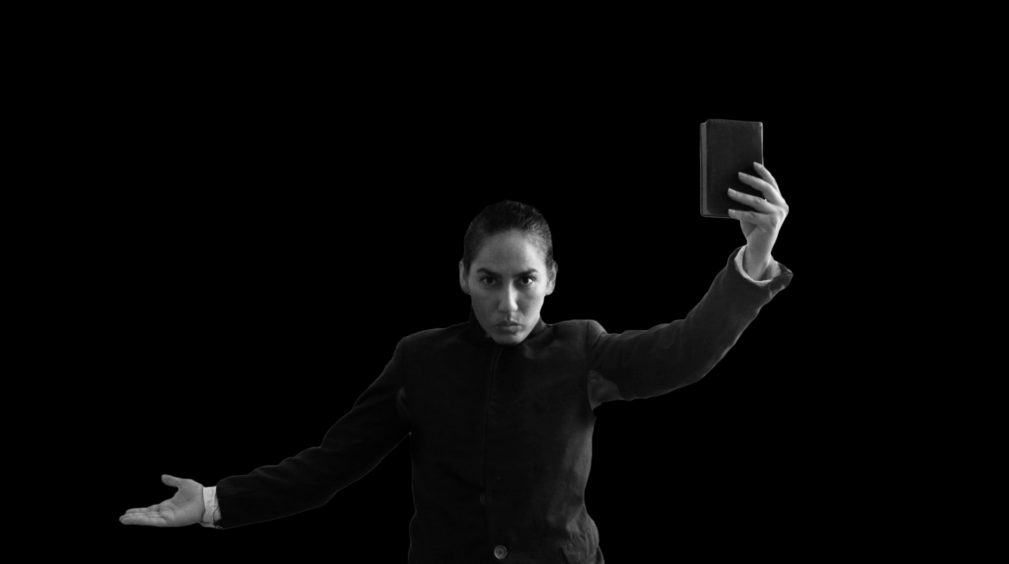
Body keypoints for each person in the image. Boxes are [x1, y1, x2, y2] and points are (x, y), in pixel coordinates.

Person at [120, 162, 793, 563]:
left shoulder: (582, 348)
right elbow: (330, 465)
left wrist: (755, 256)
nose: (508, 302)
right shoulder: (420, 359)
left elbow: (686, 351)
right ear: (464, 277)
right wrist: (214, 502)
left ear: (552, 279)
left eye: (526, 280)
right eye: (489, 280)